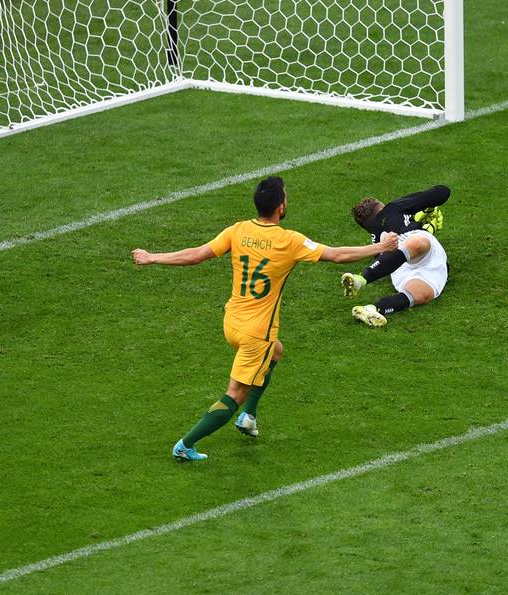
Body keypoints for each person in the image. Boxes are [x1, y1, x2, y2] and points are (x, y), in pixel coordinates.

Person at [132, 176, 397, 461]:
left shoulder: (239, 230)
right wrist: (379, 248)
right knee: (234, 394)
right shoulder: (288, 241)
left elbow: (196, 255)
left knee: (277, 352)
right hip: (257, 333)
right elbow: (336, 255)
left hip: (232, 322)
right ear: (281, 206)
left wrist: (153, 257)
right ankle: (186, 445)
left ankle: (249, 417)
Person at [341, 185, 450, 327]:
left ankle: (373, 309)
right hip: (415, 250)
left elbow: (388, 260)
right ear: (381, 207)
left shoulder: (375, 240)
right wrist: (426, 207)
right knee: (418, 243)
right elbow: (442, 192)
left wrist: (423, 226)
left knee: (422, 295)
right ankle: (360, 279)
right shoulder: (392, 208)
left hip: (400, 266)